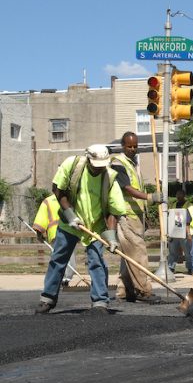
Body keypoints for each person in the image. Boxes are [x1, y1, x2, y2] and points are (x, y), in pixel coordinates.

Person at [35, 144, 127, 314]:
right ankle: (47, 298)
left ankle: (100, 302)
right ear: (88, 160)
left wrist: (112, 237)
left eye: (102, 166)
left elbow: (113, 210)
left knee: (96, 261)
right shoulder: (72, 165)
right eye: (96, 166)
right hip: (70, 221)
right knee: (58, 258)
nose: (99, 170)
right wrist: (70, 215)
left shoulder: (110, 177)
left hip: (95, 226)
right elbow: (58, 190)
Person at [110, 131, 164, 303]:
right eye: (129, 146)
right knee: (138, 253)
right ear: (122, 146)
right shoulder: (118, 163)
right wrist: (149, 197)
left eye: (135, 146)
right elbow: (126, 188)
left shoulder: (132, 164)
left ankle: (124, 291)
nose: (133, 149)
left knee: (129, 254)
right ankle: (143, 291)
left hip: (136, 215)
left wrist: (145, 211)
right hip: (126, 215)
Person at [32, 189, 78, 286]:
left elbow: (41, 218)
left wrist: (39, 233)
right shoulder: (71, 199)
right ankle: (65, 279)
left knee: (57, 257)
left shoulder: (47, 201)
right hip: (70, 232)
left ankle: (60, 279)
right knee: (70, 257)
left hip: (55, 233)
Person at [168, 189, 191, 273]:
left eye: (180, 195)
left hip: (184, 231)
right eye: (177, 195)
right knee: (172, 251)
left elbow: (190, 219)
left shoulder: (189, 205)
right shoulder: (173, 205)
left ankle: (190, 268)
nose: (178, 196)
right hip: (174, 231)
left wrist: (188, 232)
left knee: (187, 252)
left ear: (184, 195)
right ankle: (171, 267)